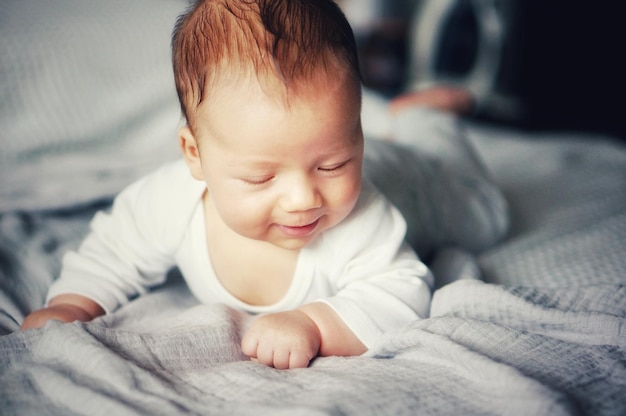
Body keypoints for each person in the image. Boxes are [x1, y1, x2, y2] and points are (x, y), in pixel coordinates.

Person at [21, 0, 433, 370]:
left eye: (334, 165)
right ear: (194, 155)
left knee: (478, 208)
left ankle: (430, 120)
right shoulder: (171, 201)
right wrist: (74, 302)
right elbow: (115, 247)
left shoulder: (361, 219)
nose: (303, 199)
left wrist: (314, 323)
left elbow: (401, 294)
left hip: (424, 186)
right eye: (261, 177)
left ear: (357, 135)